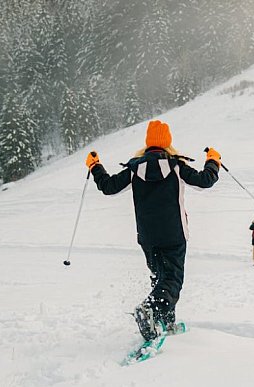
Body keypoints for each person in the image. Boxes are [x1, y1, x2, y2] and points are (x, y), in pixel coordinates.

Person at [86, 120, 221, 341]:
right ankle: (149, 310)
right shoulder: (176, 166)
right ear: (167, 143)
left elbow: (108, 187)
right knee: (172, 279)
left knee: (161, 277)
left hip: (148, 236)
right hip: (174, 233)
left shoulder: (134, 169)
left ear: (148, 143)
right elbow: (205, 181)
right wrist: (213, 160)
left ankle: (165, 322)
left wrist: (95, 166)